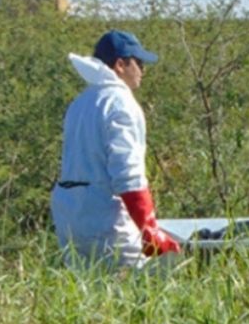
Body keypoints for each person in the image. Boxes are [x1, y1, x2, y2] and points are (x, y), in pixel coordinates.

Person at [51, 30, 181, 269]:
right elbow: (127, 176)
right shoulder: (120, 102)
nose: (143, 70)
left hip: (70, 218)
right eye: (139, 63)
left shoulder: (81, 102)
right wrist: (149, 230)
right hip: (106, 223)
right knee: (136, 293)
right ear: (120, 64)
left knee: (89, 295)